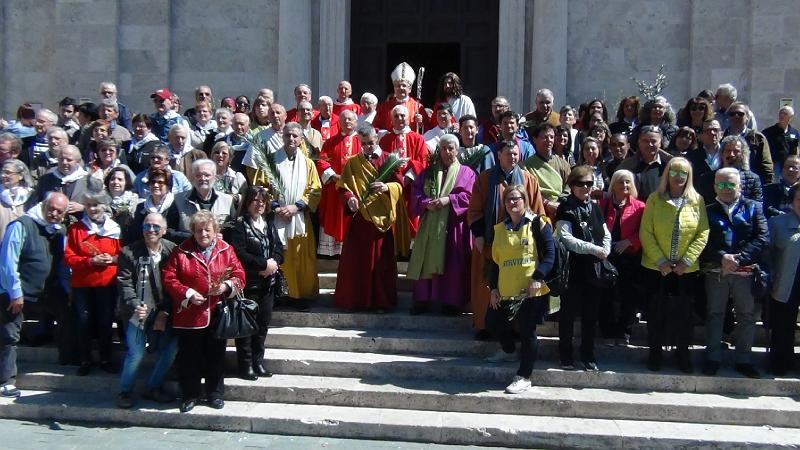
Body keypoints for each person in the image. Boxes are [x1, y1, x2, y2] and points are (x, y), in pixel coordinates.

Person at [162, 210, 245, 413]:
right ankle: (190, 395)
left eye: (207, 230)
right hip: (189, 314)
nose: (203, 234)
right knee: (189, 357)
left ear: (215, 230)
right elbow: (169, 278)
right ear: (193, 232)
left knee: (215, 356)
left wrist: (225, 286)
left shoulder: (226, 250)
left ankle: (214, 394)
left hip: (217, 313)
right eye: (198, 230)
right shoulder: (181, 251)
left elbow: (239, 275)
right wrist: (188, 293)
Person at [467, 140, 545, 339]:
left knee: (517, 286)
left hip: (521, 246)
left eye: (515, 154)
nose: (513, 157)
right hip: (491, 244)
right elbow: (475, 210)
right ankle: (485, 326)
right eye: (508, 154)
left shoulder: (528, 179)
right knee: (487, 286)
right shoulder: (485, 179)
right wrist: (479, 234)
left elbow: (538, 212)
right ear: (499, 155)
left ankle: (517, 328)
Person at [639, 157, 709, 373]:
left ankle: (683, 355)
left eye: (683, 173)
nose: (678, 177)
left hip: (685, 270)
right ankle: (655, 354)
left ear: (689, 177)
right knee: (656, 314)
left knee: (684, 316)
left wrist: (686, 261)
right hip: (656, 268)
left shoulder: (697, 200)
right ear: (667, 175)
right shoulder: (654, 199)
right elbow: (646, 231)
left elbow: (703, 232)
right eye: (674, 172)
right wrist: (660, 260)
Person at [484, 184, 554, 394]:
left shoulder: (539, 223)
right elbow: (495, 263)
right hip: (505, 290)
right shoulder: (500, 229)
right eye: (508, 199)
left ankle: (524, 376)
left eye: (516, 198)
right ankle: (508, 351)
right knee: (492, 322)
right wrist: (493, 288)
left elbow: (550, 255)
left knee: (527, 331)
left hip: (530, 291)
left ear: (525, 200)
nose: (512, 202)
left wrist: (538, 277)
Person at [700, 168, 768, 378]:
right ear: (714, 187)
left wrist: (739, 258)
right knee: (715, 314)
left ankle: (743, 360)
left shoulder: (754, 207)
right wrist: (722, 257)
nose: (726, 189)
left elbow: (762, 237)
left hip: (746, 272)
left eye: (730, 184)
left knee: (746, 315)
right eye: (721, 184)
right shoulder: (707, 210)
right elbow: (702, 240)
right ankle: (712, 358)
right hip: (716, 270)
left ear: (740, 186)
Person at [0, 193, 68, 398]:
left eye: (59, 211)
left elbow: (62, 264)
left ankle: (70, 360)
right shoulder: (21, 225)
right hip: (16, 293)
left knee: (71, 315)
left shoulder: (58, 231)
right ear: (44, 205)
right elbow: (8, 262)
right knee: (9, 336)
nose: (54, 213)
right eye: (51, 208)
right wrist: (15, 293)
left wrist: (68, 289)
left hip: (44, 293)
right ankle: (5, 381)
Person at [334, 125, 404, 312]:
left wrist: (387, 187)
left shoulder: (389, 159)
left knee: (381, 263)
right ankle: (356, 300)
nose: (367, 147)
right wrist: (349, 198)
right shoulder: (352, 163)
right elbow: (342, 187)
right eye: (363, 144)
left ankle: (381, 301)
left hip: (382, 220)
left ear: (377, 139)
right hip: (360, 220)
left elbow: (400, 185)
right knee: (357, 262)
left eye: (371, 143)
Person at [251, 123, 321, 310]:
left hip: (299, 219)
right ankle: (280, 294)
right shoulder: (270, 160)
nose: (291, 139)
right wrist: (276, 207)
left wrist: (296, 207)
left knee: (301, 257)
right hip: (277, 218)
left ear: (301, 139)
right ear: (282, 136)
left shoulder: (308, 164)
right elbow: (261, 187)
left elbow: (315, 190)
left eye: (295, 136)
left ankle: (301, 296)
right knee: (280, 256)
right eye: (288, 135)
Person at [408, 134, 476, 315]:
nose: (447, 152)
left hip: (453, 226)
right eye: (443, 148)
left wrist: (449, 200)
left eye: (451, 148)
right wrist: (425, 203)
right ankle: (422, 299)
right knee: (425, 259)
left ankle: (450, 302)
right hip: (431, 225)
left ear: (457, 150)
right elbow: (416, 191)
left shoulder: (466, 173)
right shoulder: (429, 172)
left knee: (452, 263)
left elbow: (470, 196)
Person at [116, 212, 177, 408]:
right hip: (137, 312)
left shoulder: (172, 251)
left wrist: (165, 311)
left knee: (171, 348)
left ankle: (153, 386)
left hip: (162, 311)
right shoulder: (128, 252)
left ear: (164, 230)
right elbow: (124, 283)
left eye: (156, 226)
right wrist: (135, 305)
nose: (151, 230)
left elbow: (175, 284)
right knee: (137, 352)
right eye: (147, 226)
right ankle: (125, 391)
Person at [555, 165, 612, 371]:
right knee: (568, 314)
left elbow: (605, 232)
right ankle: (565, 354)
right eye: (581, 183)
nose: (586, 187)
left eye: (589, 183)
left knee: (590, 315)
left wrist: (605, 249)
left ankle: (588, 355)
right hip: (572, 269)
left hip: (593, 270)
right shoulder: (565, 207)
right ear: (572, 185)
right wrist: (594, 249)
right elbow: (566, 238)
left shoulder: (595, 207)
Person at [64, 183, 122, 376]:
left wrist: (111, 259)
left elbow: (123, 256)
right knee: (84, 322)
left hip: (107, 284)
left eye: (96, 205)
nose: (92, 209)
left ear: (104, 205)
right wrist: (90, 261)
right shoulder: (76, 229)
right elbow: (69, 257)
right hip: (82, 285)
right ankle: (85, 359)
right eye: (89, 205)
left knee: (105, 322)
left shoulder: (115, 229)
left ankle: (105, 358)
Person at [227, 187, 283, 380]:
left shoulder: (268, 223)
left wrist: (274, 263)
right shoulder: (239, 225)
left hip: (268, 283)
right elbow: (239, 252)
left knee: (262, 325)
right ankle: (246, 365)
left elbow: (278, 248)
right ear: (248, 203)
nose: (260, 204)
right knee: (246, 326)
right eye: (255, 200)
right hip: (248, 283)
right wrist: (263, 264)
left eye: (263, 201)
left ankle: (258, 362)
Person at [598, 170, 645, 346]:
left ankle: (624, 331)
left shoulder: (640, 207)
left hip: (629, 257)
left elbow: (646, 231)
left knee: (629, 297)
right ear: (613, 185)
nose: (624, 185)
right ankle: (607, 332)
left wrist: (629, 241)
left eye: (627, 182)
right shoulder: (603, 204)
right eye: (620, 182)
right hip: (607, 256)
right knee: (606, 296)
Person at [378, 104, 430, 256]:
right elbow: (381, 162)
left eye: (403, 116)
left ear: (408, 118)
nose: (400, 119)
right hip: (391, 187)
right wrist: (394, 180)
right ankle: (394, 250)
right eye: (396, 116)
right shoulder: (385, 140)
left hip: (411, 187)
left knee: (411, 218)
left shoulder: (418, 138)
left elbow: (422, 160)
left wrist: (408, 177)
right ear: (391, 120)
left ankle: (411, 252)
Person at [316, 110, 361, 256]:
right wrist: (334, 176)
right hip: (335, 189)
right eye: (343, 119)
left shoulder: (362, 141)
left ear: (356, 122)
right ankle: (332, 252)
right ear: (339, 123)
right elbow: (322, 161)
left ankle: (352, 250)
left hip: (356, 189)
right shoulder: (330, 142)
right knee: (334, 216)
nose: (347, 122)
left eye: (350, 119)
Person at [767, 185, 800, 376]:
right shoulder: (777, 223)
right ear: (792, 202)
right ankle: (781, 362)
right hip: (786, 282)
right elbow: (767, 254)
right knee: (783, 325)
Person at [166, 159, 236, 243]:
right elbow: (169, 231)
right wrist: (194, 237)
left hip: (219, 249)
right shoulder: (179, 199)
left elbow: (234, 230)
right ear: (192, 178)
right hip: (188, 249)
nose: (203, 178)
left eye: (207, 175)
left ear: (215, 177)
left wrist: (223, 237)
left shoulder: (227, 200)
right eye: (198, 175)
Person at [524, 123, 570, 218]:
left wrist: (560, 202)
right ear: (535, 139)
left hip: (560, 209)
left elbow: (569, 185)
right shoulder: (526, 165)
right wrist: (546, 203)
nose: (549, 140)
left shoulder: (563, 164)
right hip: (538, 210)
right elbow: (528, 190)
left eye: (551, 137)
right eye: (545, 137)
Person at [618, 125, 673, 201]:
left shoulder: (670, 166)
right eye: (645, 141)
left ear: (660, 143)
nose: (649, 144)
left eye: (653, 141)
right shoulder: (626, 166)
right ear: (639, 142)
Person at [724, 102, 774, 184]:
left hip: (752, 184)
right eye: (732, 114)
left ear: (747, 117)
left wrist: (767, 185)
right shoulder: (722, 137)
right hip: (727, 183)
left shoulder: (758, 138)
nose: (736, 116)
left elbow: (766, 165)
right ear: (728, 118)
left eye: (740, 114)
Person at [373, 62, 430, 133]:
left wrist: (421, 124)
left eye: (404, 85)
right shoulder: (384, 107)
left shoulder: (418, 107)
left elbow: (428, 129)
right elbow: (375, 127)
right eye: (398, 86)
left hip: (410, 139)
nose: (401, 88)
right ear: (394, 88)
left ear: (409, 89)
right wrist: (384, 133)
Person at [127, 168, 174, 244]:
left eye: (160, 182)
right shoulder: (141, 207)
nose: (155, 185)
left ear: (168, 186)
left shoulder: (175, 206)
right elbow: (135, 233)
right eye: (153, 182)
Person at [0, 159, 34, 241]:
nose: (3, 175)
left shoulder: (31, 197)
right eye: (2, 172)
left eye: (8, 173)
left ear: (20, 176)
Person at [762, 106, 799, 178]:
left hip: (789, 165)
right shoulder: (768, 132)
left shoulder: (794, 132)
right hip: (775, 164)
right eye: (780, 113)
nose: (782, 115)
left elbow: (796, 148)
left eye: (785, 114)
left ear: (791, 117)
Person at [209, 141, 247, 208]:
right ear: (212, 156)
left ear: (230, 158)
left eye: (224, 153)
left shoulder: (238, 177)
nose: (220, 155)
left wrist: (237, 198)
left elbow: (247, 199)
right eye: (217, 152)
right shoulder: (205, 176)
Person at [104, 166, 139, 238]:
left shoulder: (133, 199)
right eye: (112, 179)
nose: (116, 182)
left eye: (120, 179)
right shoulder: (99, 199)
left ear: (126, 182)